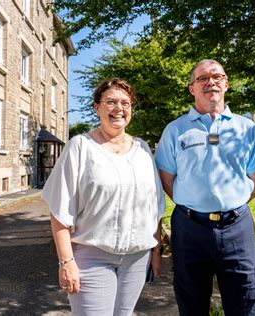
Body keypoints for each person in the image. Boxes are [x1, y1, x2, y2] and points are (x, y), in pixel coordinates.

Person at [155, 59, 255, 315]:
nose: (211, 82)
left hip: (237, 227)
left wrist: (229, 204)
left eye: (217, 77)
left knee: (244, 299)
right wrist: (196, 203)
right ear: (191, 88)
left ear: (226, 84)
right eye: (203, 78)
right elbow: (167, 178)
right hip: (189, 227)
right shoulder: (175, 130)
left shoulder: (247, 129)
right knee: (191, 302)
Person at [42, 78, 165, 316]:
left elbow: (155, 208)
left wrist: (156, 252)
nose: (119, 108)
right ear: (97, 108)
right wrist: (66, 262)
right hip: (92, 257)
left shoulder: (143, 150)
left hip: (137, 258)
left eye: (125, 103)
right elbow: (59, 211)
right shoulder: (80, 147)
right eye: (110, 102)